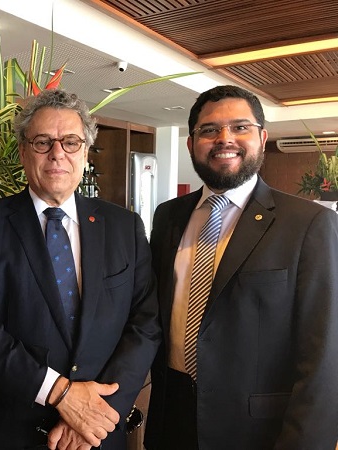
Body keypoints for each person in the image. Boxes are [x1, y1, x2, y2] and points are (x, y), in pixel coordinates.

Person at [0, 89, 161, 449]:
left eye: (71, 142)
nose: (57, 153)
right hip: (10, 431)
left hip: (98, 432)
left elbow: (145, 323)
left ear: (85, 152)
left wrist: (96, 413)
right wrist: (60, 394)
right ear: (23, 151)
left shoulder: (124, 227)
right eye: (43, 142)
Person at [144, 85, 338, 449]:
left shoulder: (308, 224)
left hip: (256, 431)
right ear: (191, 144)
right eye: (209, 130)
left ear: (262, 138)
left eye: (240, 127)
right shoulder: (168, 216)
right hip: (171, 418)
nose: (224, 138)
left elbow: (324, 356)